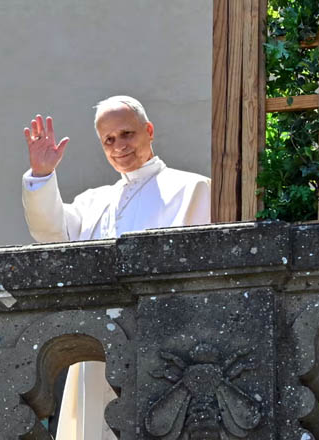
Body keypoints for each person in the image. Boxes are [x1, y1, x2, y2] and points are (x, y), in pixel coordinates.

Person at [21, 96, 210, 440]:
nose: (119, 146)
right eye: (108, 139)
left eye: (127, 134)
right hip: (98, 350)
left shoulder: (193, 188)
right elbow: (51, 232)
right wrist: (42, 175)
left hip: (163, 347)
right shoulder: (94, 201)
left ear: (148, 130)